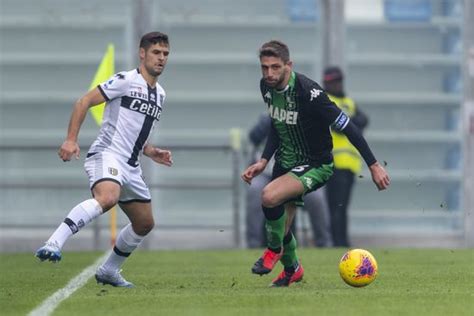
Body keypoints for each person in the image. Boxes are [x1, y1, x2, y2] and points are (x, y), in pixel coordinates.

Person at [241, 40, 390, 287]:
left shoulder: (309, 91)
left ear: (289, 65)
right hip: (285, 163)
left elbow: (348, 126)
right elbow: (277, 125)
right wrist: (263, 161)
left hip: (315, 164)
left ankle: (273, 250)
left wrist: (373, 164)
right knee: (283, 227)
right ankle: (293, 270)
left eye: (275, 67)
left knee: (268, 196)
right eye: (264, 67)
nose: (269, 73)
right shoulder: (266, 87)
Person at [35, 31, 173, 288]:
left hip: (131, 166)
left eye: (165, 53)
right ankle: (54, 242)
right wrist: (70, 139)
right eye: (156, 52)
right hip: (107, 154)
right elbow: (84, 101)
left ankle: (109, 271)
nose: (161, 58)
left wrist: (151, 151)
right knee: (107, 197)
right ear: (142, 54)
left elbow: (136, 132)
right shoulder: (125, 80)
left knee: (144, 223)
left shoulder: (161, 94)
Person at [245, 113, 333, 248]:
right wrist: (275, 119)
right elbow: (254, 136)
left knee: (317, 198)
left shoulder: (307, 117)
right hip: (267, 174)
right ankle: (253, 243)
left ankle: (324, 242)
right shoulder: (270, 117)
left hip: (301, 173)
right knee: (254, 190)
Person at [323, 66, 369, 247]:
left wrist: (349, 121)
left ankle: (341, 241)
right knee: (335, 208)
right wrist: (351, 121)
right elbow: (338, 126)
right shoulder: (326, 101)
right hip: (333, 164)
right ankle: (337, 242)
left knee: (342, 208)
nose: (336, 85)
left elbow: (364, 119)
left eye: (338, 81)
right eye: (332, 82)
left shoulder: (348, 102)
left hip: (350, 165)